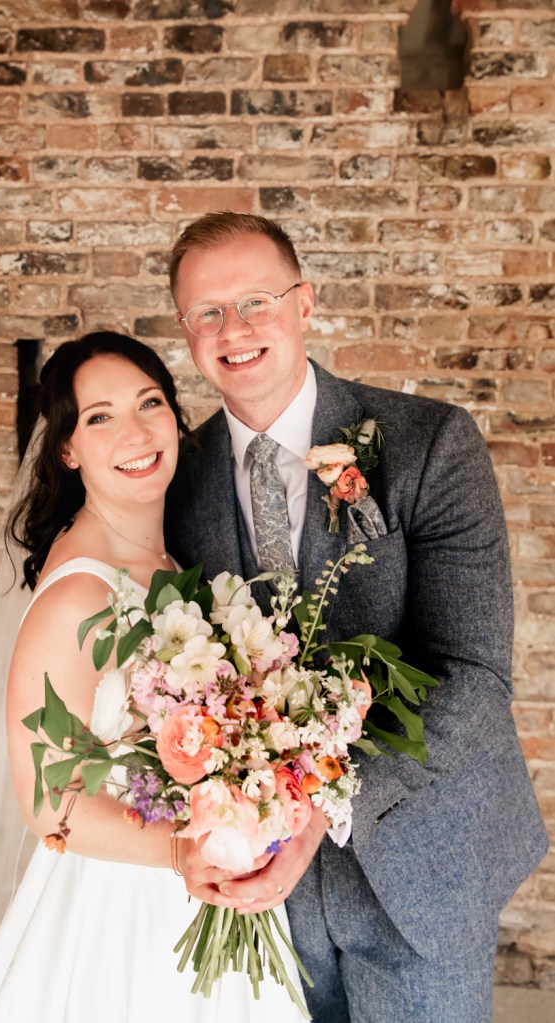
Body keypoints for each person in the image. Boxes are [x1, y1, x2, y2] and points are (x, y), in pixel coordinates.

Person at [164, 212, 549, 1023]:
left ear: (305, 303)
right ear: (184, 330)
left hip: (421, 857)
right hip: (258, 889)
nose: (233, 329)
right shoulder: (173, 477)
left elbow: (474, 674)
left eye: (256, 300)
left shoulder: (429, 442)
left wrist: (316, 806)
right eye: (206, 312)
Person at [0, 332, 307, 1023]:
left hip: (208, 883)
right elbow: (47, 805)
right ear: (66, 448)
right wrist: (181, 852)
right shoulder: (76, 597)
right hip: (121, 912)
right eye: (100, 416)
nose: (136, 431)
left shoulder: (167, 562)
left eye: (150, 403)